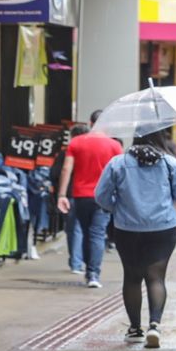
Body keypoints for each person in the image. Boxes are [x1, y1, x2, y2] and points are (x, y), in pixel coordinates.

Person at [94, 129, 176, 349]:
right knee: (156, 278)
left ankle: (135, 329)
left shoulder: (117, 163)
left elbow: (101, 196)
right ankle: (154, 325)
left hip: (127, 229)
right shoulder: (170, 163)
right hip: (163, 229)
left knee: (132, 277)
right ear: (160, 138)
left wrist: (116, 208)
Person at [57, 109, 123, 289]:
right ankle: (93, 273)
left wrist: (62, 195)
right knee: (97, 233)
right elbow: (120, 172)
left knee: (87, 233)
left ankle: (89, 269)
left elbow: (66, 169)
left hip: (80, 196)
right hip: (104, 197)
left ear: (90, 122)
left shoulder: (76, 142)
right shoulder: (114, 146)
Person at [52, 124, 89, 274]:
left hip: (71, 194)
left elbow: (56, 173)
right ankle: (91, 265)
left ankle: (76, 262)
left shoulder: (67, 152)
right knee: (93, 231)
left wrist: (59, 193)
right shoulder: (93, 150)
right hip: (92, 194)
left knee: (74, 229)